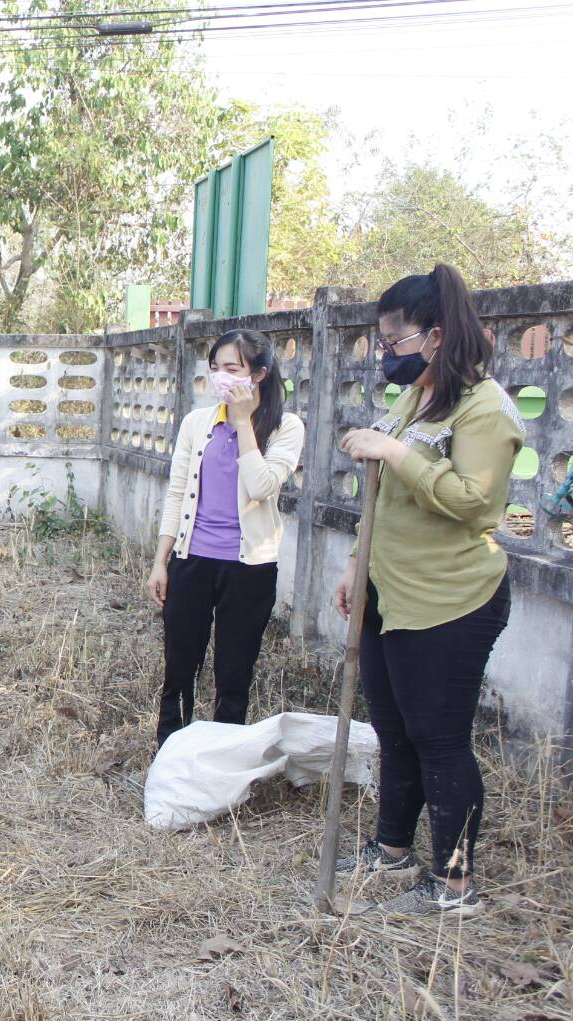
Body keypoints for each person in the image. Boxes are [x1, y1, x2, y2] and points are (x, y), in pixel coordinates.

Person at [332, 264, 522, 917]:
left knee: (438, 739)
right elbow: (382, 497)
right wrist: (355, 563)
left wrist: (394, 452)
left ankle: (454, 882)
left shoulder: (485, 407)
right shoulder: (416, 398)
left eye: (395, 340)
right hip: (389, 591)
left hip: (450, 599)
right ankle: (391, 847)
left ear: (436, 335)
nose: (387, 353)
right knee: (393, 730)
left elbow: (473, 502)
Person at [145, 329, 305, 748]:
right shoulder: (197, 423)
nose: (221, 377)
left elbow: (261, 486)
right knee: (180, 668)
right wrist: (161, 560)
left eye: (232, 369)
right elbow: (177, 493)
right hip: (191, 560)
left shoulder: (286, 427)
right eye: (215, 368)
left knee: (234, 674)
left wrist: (243, 422)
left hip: (249, 569)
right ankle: (171, 751)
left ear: (259, 374)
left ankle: (222, 759)